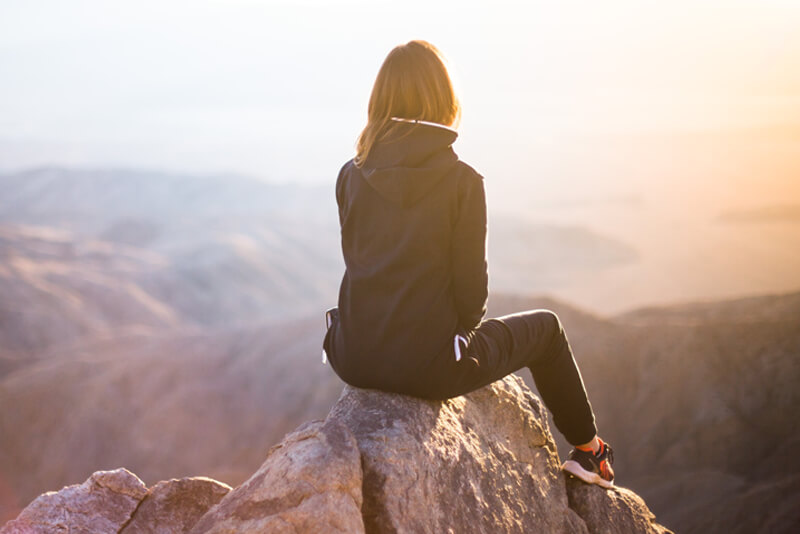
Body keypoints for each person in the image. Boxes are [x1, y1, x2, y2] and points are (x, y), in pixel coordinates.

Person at [322, 39, 614, 488]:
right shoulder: (462, 182)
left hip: (351, 355)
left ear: (379, 100)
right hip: (430, 369)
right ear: (443, 99)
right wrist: (446, 342)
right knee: (548, 330)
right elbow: (472, 300)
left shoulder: (350, 172)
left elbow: (360, 263)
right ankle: (589, 451)